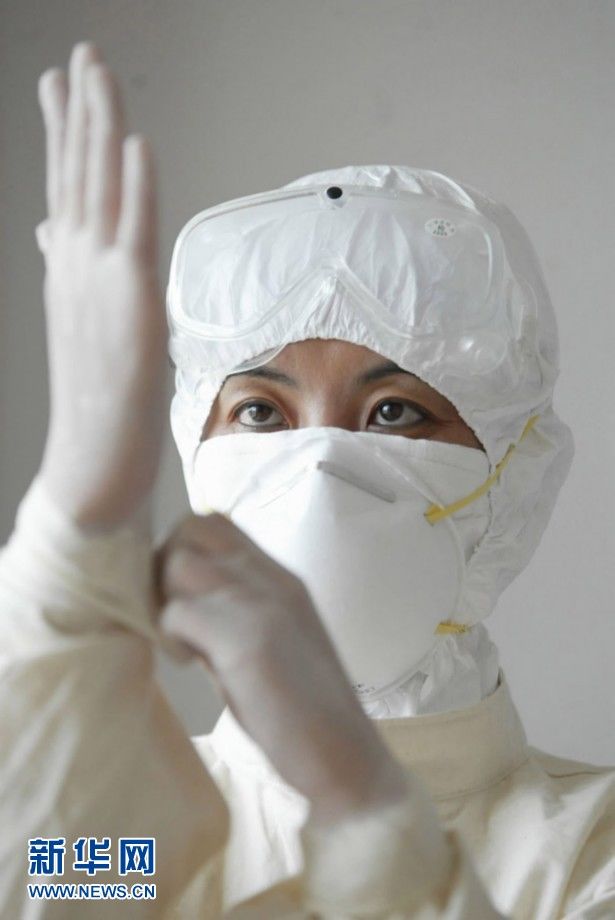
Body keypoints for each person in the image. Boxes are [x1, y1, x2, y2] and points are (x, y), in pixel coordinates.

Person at [0, 41, 613, 920]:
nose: (319, 469)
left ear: (514, 475)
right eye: (259, 413)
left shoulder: (592, 855)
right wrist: (63, 558)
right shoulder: (117, 836)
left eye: (394, 412)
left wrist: (363, 809)